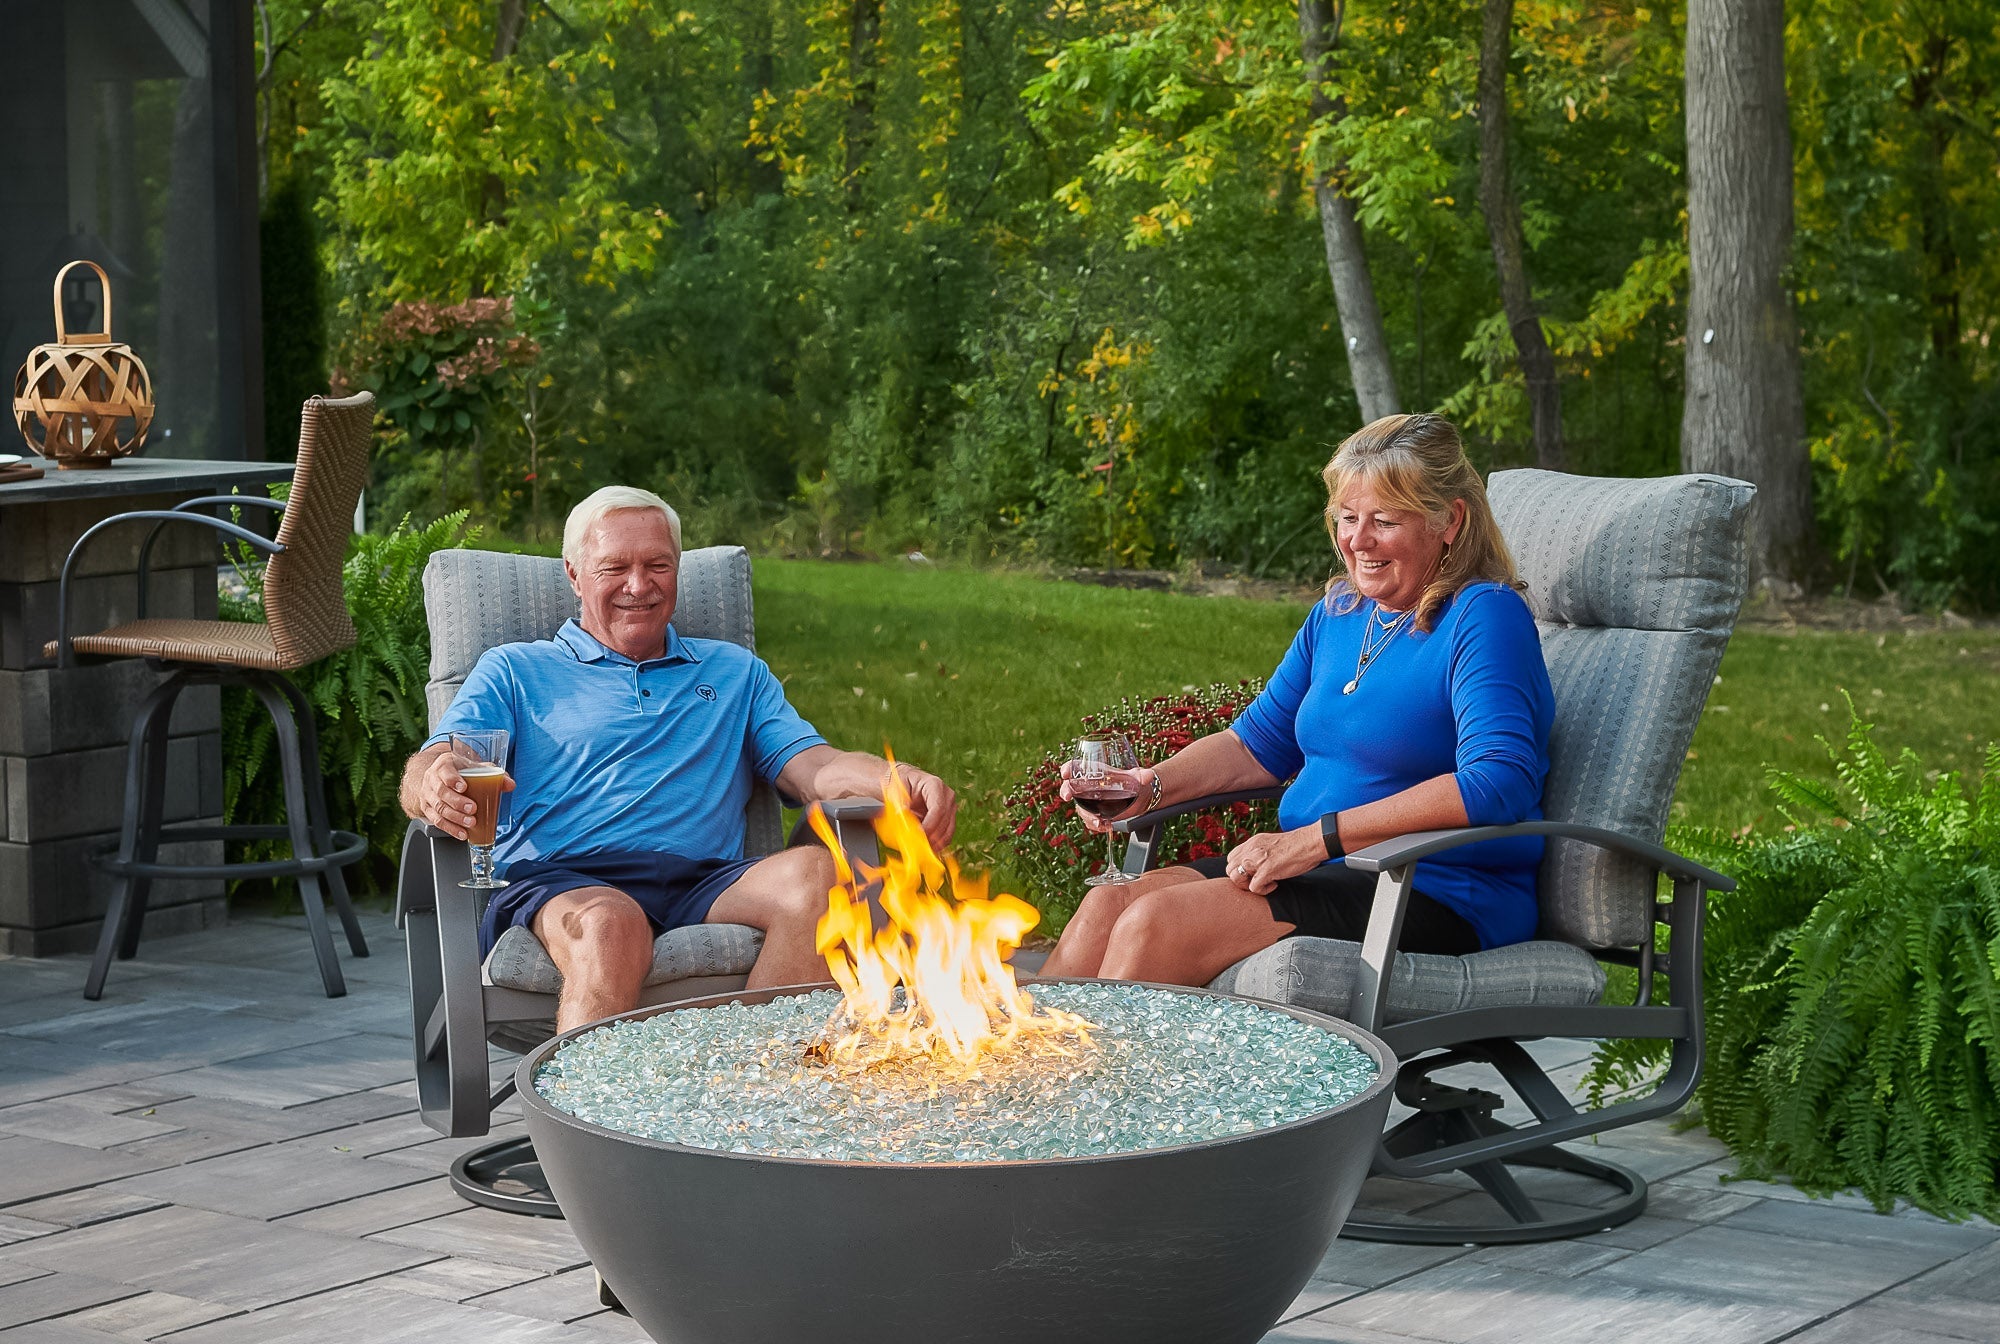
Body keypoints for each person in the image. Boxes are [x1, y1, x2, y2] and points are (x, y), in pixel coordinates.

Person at [401, 486, 956, 1031]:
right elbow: (450, 755)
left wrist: (897, 778)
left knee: (818, 877)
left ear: (678, 569)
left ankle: (753, 1088)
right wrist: (432, 781)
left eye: (658, 566)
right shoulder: (514, 669)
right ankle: (591, 1116)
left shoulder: (734, 672)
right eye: (614, 567)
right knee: (611, 925)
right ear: (573, 574)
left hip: (704, 879)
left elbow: (816, 768)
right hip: (569, 877)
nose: (638, 586)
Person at [1041, 413, 1552, 986]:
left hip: (1431, 887)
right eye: (1347, 517)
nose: (1358, 541)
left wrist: (1313, 840)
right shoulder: (1339, 615)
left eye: (1383, 520)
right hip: (1318, 872)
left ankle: (1121, 1078)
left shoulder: (1482, 615)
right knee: (1105, 909)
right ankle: (1038, 1076)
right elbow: (1255, 743)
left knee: (1156, 922)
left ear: (1449, 520)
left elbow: (1497, 781)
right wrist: (1148, 785)